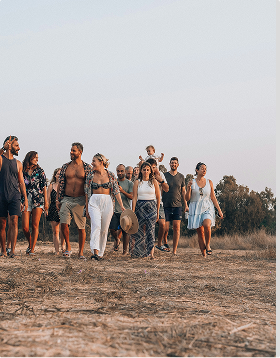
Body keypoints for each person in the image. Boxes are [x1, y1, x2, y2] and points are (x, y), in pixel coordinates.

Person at [85, 153, 125, 261]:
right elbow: (86, 192)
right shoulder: (90, 175)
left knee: (104, 229)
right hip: (94, 201)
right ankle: (95, 251)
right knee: (96, 225)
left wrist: (121, 205)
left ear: (101, 162)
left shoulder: (111, 175)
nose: (92, 163)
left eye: (94, 161)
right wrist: (87, 207)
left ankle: (101, 253)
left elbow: (116, 191)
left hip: (107, 202)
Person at [56, 142, 92, 259]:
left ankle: (81, 252)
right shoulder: (65, 166)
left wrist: (88, 203)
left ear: (80, 152)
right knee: (63, 223)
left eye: (73, 150)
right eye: (71, 150)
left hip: (81, 199)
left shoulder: (87, 167)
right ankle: (68, 247)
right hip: (66, 198)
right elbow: (60, 183)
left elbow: (90, 186)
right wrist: (58, 199)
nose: (71, 152)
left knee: (81, 227)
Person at [186, 162, 223, 257]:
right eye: (202, 168)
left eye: (205, 169)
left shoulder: (209, 182)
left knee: (207, 225)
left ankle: (208, 245)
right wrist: (188, 188)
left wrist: (219, 210)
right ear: (197, 170)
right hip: (195, 208)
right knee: (200, 232)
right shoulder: (192, 182)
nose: (204, 170)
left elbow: (213, 197)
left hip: (207, 206)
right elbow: (187, 198)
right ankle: (204, 254)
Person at [0, 136, 28, 258]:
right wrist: (2, 148)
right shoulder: (1, 159)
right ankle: (3, 251)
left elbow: (21, 182)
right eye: (16, 145)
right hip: (1, 195)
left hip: (15, 195)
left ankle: (12, 251)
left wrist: (25, 198)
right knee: (2, 223)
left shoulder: (18, 163)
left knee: (15, 221)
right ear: (9, 146)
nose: (19, 148)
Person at [130, 162, 160, 259]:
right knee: (139, 231)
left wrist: (158, 211)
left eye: (148, 169)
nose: (146, 171)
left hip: (151, 207)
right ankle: (139, 252)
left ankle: (151, 253)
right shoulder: (137, 182)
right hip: (140, 207)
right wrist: (133, 212)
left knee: (150, 231)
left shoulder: (154, 182)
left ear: (150, 171)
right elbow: (134, 197)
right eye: (144, 169)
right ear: (141, 171)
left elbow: (158, 197)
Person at [21, 151, 48, 255]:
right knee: (25, 227)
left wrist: (46, 202)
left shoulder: (40, 171)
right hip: (26, 199)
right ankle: (31, 242)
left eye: (38, 157)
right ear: (29, 158)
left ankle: (31, 249)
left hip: (38, 199)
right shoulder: (23, 171)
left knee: (35, 225)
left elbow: (44, 186)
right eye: (35, 157)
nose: (37, 159)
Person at [162, 157, 188, 255]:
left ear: (178, 165)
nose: (173, 165)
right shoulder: (165, 175)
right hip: (166, 205)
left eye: (175, 163)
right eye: (172, 163)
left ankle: (174, 251)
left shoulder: (181, 176)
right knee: (166, 228)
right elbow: (161, 189)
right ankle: (165, 242)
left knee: (177, 228)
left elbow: (183, 191)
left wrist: (186, 205)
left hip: (177, 205)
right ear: (169, 164)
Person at [145, 158, 170, 252]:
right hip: (147, 202)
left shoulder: (161, 174)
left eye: (154, 167)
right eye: (151, 167)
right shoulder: (144, 175)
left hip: (159, 203)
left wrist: (161, 181)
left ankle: (159, 244)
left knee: (162, 224)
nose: (153, 169)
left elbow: (167, 189)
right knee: (147, 226)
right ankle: (147, 245)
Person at [109, 164, 133, 254]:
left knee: (125, 231)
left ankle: (124, 251)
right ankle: (117, 239)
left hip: (125, 210)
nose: (120, 173)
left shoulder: (129, 183)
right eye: (118, 171)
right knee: (112, 229)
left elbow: (132, 196)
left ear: (125, 172)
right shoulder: (113, 182)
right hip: (114, 210)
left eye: (121, 171)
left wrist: (122, 191)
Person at [46, 168, 65, 255]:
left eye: (61, 174)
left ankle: (63, 248)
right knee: (55, 231)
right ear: (55, 175)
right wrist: (46, 209)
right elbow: (47, 199)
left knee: (63, 230)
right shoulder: (51, 186)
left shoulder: (65, 186)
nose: (59, 175)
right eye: (57, 173)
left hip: (64, 208)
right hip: (53, 209)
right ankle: (57, 251)